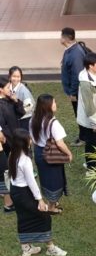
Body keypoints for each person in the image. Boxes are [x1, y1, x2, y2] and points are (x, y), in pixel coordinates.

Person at [8, 129, 67, 256]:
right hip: (24, 192)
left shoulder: (12, 154)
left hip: (15, 191)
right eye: (29, 139)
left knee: (23, 217)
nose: (31, 141)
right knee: (44, 217)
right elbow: (31, 182)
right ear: (23, 143)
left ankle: (26, 248)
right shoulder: (25, 160)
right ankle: (51, 248)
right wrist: (40, 199)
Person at [31, 94, 72, 214]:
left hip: (39, 151)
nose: (56, 104)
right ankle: (51, 207)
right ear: (48, 106)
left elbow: (32, 137)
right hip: (50, 154)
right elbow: (60, 143)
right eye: (54, 102)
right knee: (54, 180)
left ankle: (50, 200)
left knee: (45, 178)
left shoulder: (33, 119)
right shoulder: (53, 123)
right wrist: (69, 153)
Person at [0, 76, 25, 212]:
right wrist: (12, 141)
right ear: (1, 90)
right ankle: (8, 201)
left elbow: (21, 113)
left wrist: (16, 101)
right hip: (9, 142)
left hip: (15, 138)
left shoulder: (10, 100)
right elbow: (3, 128)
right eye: (7, 87)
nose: (11, 89)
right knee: (6, 170)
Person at [60, 27, 87, 146]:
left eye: (61, 36)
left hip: (77, 91)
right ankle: (83, 135)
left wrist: (73, 93)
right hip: (75, 90)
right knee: (79, 113)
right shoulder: (70, 49)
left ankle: (84, 137)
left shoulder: (75, 54)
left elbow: (77, 75)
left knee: (80, 114)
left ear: (66, 38)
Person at [77, 52, 96, 169]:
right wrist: (94, 123)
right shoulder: (86, 83)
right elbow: (89, 106)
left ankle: (95, 162)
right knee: (92, 143)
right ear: (90, 66)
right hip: (91, 120)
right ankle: (91, 166)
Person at [9, 66, 35, 131]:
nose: (16, 79)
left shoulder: (24, 90)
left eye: (18, 77)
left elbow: (29, 106)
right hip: (14, 118)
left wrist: (20, 112)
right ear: (9, 76)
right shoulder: (8, 87)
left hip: (24, 119)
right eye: (14, 76)